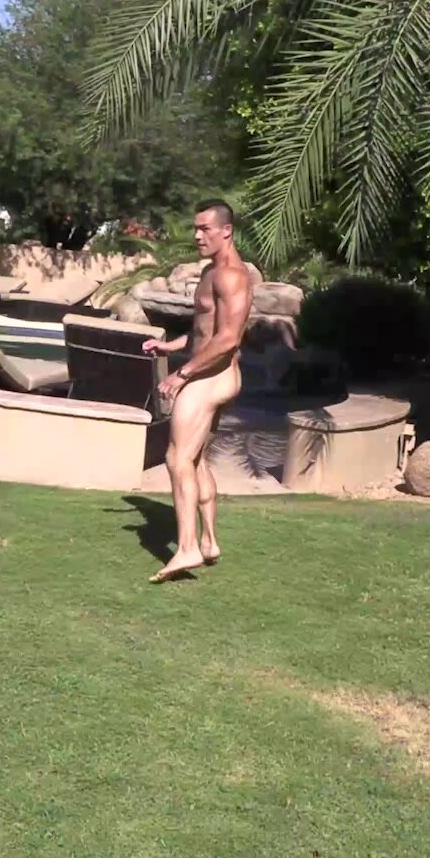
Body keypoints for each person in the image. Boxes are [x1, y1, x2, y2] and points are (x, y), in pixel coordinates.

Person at [143, 200, 253, 582]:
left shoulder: (232, 276)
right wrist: (169, 347)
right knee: (197, 459)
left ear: (226, 231)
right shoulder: (211, 271)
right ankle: (209, 543)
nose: (197, 236)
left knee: (177, 458)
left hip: (213, 377)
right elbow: (203, 332)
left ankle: (186, 547)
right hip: (209, 373)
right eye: (196, 228)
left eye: (205, 229)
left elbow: (228, 339)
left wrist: (181, 375)